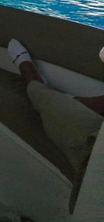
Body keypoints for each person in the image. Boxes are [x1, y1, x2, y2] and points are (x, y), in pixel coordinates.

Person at [7, 39, 103, 212]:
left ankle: (32, 78)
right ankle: (71, 100)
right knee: (64, 105)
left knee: (45, 101)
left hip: (94, 147)